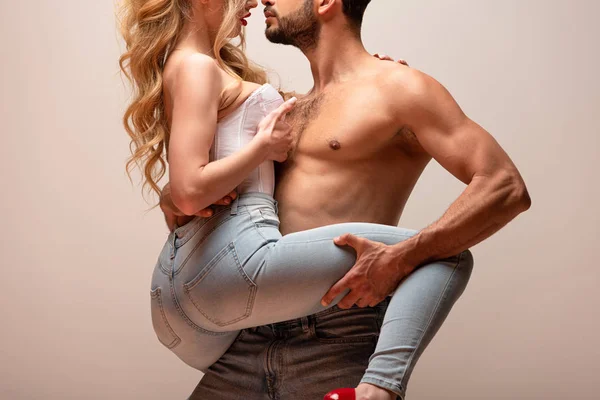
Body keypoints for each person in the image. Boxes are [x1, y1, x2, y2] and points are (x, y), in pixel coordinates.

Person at [119, 0, 531, 399]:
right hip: (249, 337)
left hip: (338, 341)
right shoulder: (285, 108)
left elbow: (503, 186)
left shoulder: (399, 87)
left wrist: (402, 258)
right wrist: (174, 196)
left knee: (446, 258)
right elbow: (216, 185)